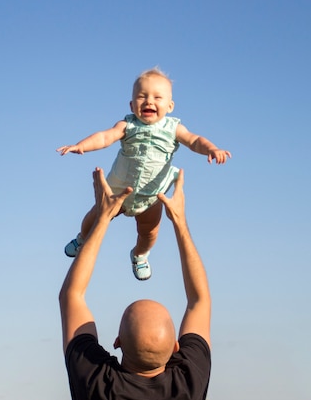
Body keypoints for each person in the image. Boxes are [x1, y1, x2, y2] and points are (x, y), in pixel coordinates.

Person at [57, 67, 231, 280]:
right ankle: (82, 238)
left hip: (151, 195)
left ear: (170, 106)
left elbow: (195, 141)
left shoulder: (173, 128)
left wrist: (211, 149)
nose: (149, 101)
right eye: (142, 96)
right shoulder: (127, 124)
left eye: (157, 97)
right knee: (95, 217)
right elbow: (105, 137)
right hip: (118, 190)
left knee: (149, 232)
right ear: (132, 105)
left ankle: (140, 254)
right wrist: (81, 145)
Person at [59, 167, 211, 400]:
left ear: (117, 342)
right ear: (175, 347)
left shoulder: (96, 383)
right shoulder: (189, 383)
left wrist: (102, 218)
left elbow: (72, 296)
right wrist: (179, 221)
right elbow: (199, 301)